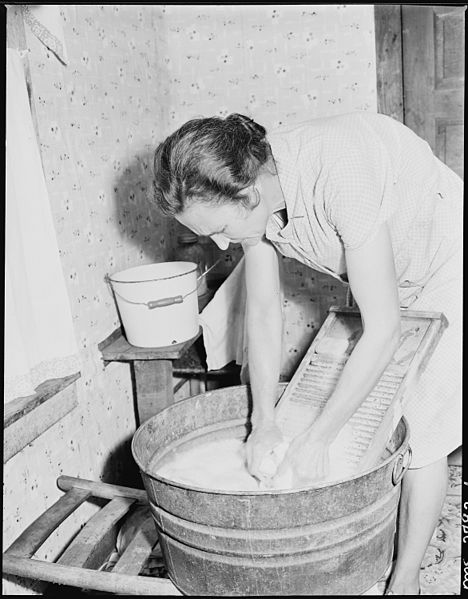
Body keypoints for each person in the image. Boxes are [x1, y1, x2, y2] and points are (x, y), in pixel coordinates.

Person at [151, 111, 462, 595]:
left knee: (422, 424)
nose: (218, 243)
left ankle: (407, 576)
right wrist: (265, 419)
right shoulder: (256, 199)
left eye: (220, 228)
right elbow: (262, 314)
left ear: (248, 192)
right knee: (369, 403)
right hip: (394, 273)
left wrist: (318, 438)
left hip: (449, 260)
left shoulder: (342, 172)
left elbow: (382, 331)